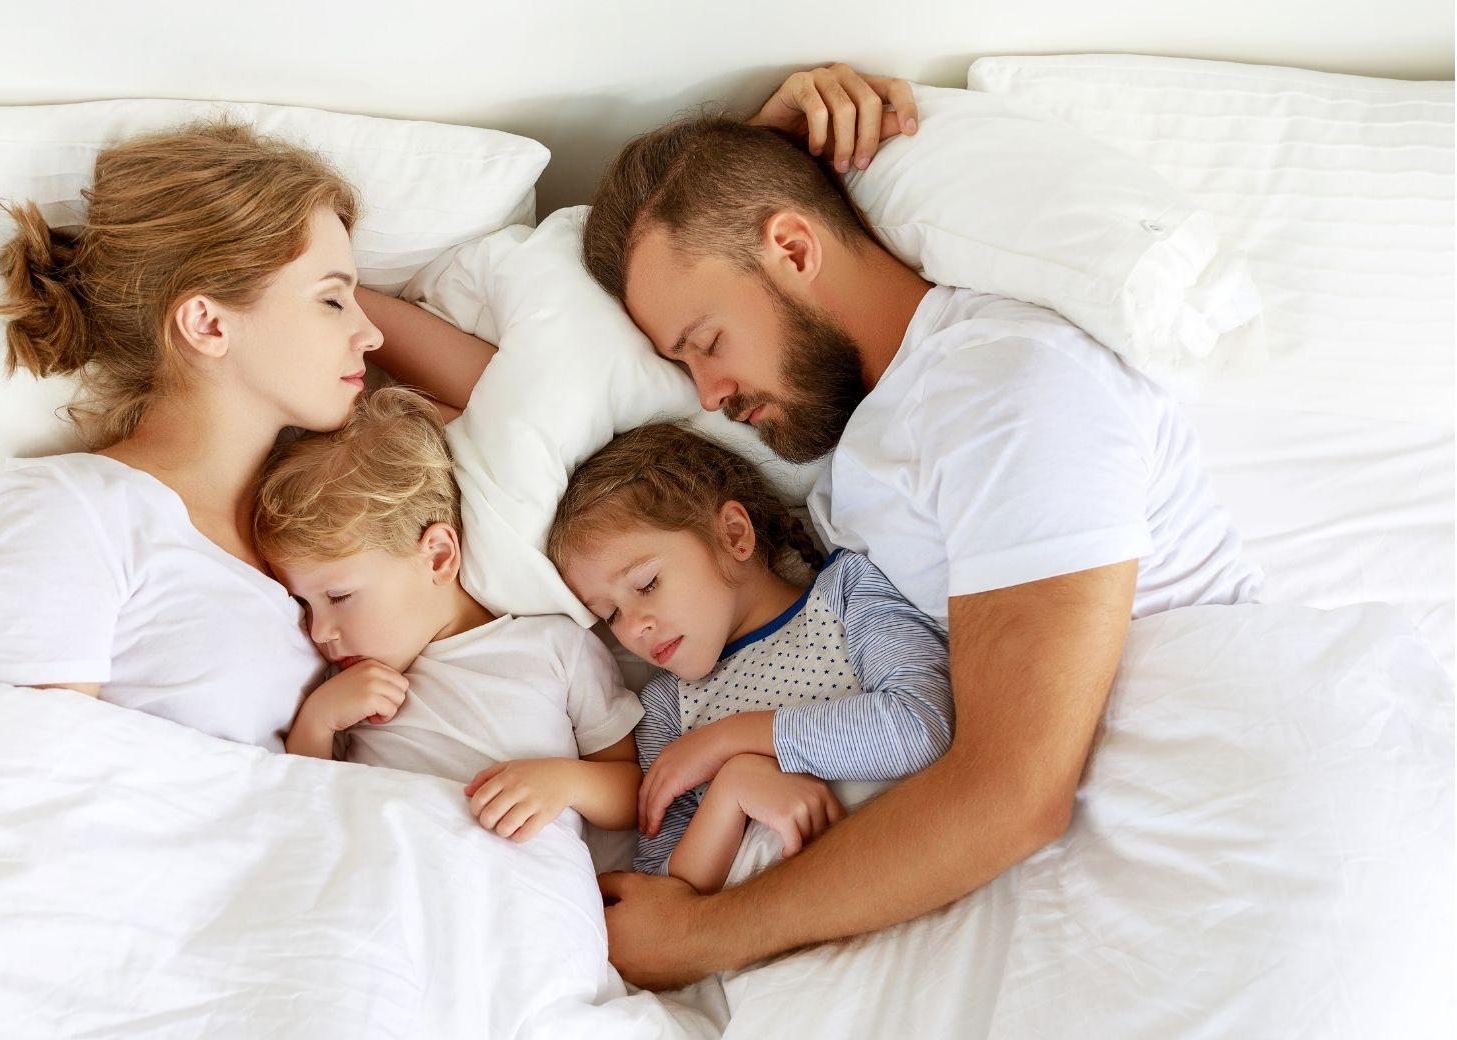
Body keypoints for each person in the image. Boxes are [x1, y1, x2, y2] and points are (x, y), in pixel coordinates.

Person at [580, 64, 1264, 986]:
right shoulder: (880, 424)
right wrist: (742, 153)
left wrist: (707, 934)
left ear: (793, 248)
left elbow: (1013, 795)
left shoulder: (1007, 391)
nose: (711, 394)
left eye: (706, 344)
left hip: (1220, 810)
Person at [0, 120, 496, 752]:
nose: (372, 335)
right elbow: (15, 787)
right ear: (206, 323)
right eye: (333, 302)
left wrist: (317, 283)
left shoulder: (326, 500)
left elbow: (498, 400)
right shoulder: (70, 509)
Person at [548, 422, 954, 894]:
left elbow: (924, 726)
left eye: (646, 585)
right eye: (610, 614)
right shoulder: (665, 708)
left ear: (734, 534)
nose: (634, 626)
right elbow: (662, 892)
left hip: (911, 867)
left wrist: (728, 741)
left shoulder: (847, 594)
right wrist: (732, 789)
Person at [254, 386, 644, 843]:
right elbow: (310, 810)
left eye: (338, 597)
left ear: (437, 556)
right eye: (302, 604)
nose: (320, 632)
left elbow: (632, 795)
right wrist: (316, 723)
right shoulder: (343, 695)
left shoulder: (554, 646)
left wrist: (566, 781)